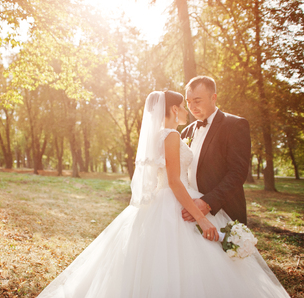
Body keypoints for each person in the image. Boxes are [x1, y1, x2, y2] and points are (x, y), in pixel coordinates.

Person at [37, 91, 289, 298]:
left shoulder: (160, 135)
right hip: (176, 198)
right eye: (182, 105)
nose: (186, 109)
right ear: (172, 109)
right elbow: (174, 182)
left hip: (161, 200)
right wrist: (201, 218)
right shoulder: (171, 135)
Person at [180, 76, 250, 225]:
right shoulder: (186, 132)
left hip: (224, 212)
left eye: (197, 101)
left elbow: (237, 173)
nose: (192, 107)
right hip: (190, 214)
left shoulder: (234, 125)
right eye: (188, 102)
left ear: (213, 98)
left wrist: (208, 203)